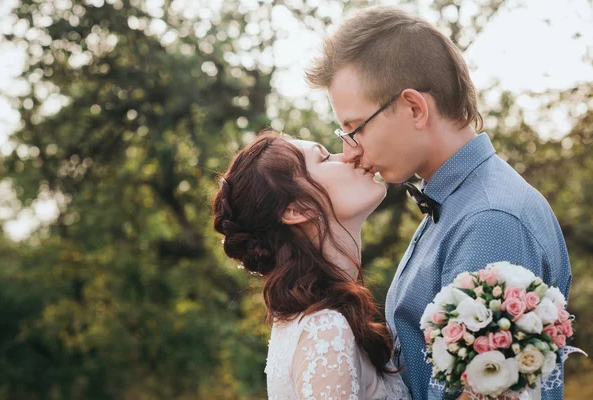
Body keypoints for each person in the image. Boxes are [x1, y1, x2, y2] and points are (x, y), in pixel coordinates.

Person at [305, 5, 571, 400]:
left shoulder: (490, 221)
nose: (350, 152)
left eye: (354, 128)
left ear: (414, 108)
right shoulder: (454, 203)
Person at [212, 131, 411, 399]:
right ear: (297, 209)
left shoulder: (317, 323)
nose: (348, 156)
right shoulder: (325, 331)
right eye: (325, 158)